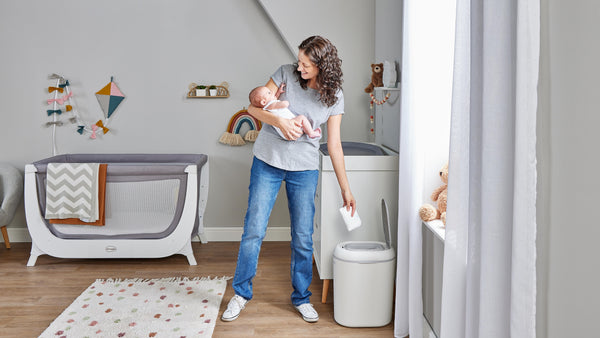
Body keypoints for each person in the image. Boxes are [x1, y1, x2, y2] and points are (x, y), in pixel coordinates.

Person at [222, 36, 356, 323]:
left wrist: (347, 189)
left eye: (307, 64)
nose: (300, 67)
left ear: (323, 65)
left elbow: (334, 145)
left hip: (304, 169)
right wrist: (280, 121)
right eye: (299, 61)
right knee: (254, 230)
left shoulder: (335, 96)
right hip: (267, 161)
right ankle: (241, 293)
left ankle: (301, 297)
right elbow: (253, 108)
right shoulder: (284, 72)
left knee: (303, 236)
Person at [249, 84, 322, 139]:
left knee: (301, 120)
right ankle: (311, 132)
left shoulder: (268, 107)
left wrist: (279, 92)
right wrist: (285, 102)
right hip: (290, 128)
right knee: (302, 117)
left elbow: (274, 99)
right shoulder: (272, 105)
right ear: (263, 102)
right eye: (268, 93)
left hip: (286, 133)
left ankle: (306, 130)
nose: (271, 92)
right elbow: (283, 104)